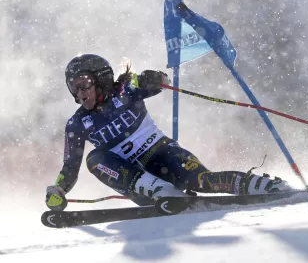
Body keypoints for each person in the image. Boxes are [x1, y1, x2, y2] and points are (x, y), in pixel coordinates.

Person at [45, 54, 290, 211]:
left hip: (163, 154)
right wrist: (58, 189)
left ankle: (262, 184)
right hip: (136, 180)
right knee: (94, 159)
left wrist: (153, 77)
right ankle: (161, 191)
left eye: (83, 83)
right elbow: (70, 167)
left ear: (101, 79)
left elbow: (159, 80)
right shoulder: (77, 124)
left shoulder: (127, 90)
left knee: (202, 181)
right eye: (73, 87)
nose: (79, 92)